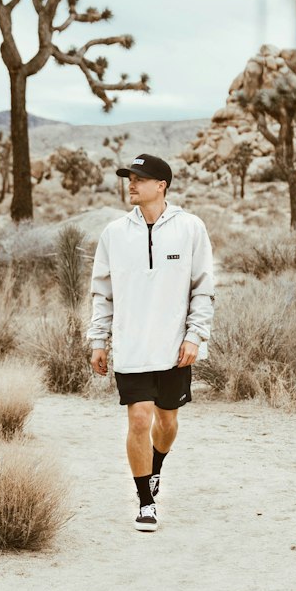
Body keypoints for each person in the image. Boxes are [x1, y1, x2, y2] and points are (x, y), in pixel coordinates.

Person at [87, 152, 214, 531]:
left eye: (139, 178)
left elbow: (203, 289)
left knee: (167, 422)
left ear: (161, 185)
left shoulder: (190, 228)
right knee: (139, 418)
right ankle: (145, 501)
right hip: (131, 348)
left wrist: (195, 336)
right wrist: (99, 340)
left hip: (175, 348)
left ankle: (155, 467)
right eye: (129, 178)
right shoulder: (114, 233)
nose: (131, 184)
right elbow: (102, 293)